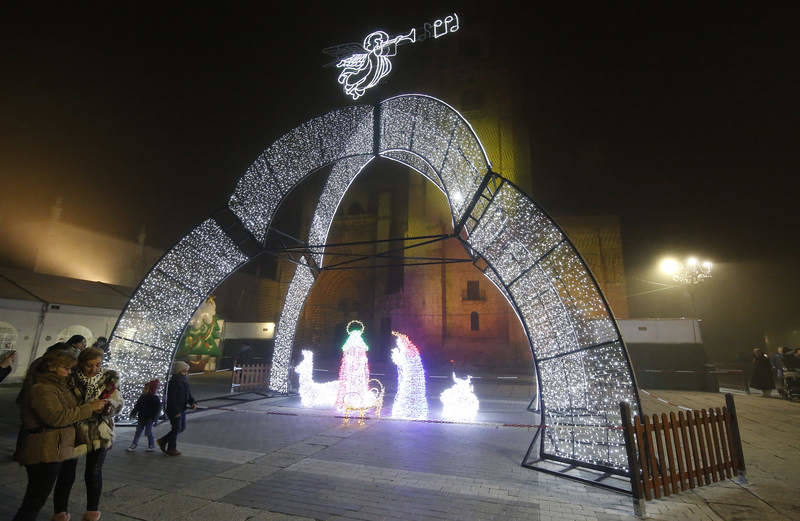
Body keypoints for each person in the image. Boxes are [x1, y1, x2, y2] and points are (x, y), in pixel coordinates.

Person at [12, 350, 107, 521]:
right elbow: (56, 417)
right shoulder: (43, 389)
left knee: (36, 497)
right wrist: (89, 408)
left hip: (53, 447)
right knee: (35, 499)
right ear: (52, 367)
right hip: (44, 448)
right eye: (66, 368)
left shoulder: (58, 385)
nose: (69, 372)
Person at [70, 347, 123, 521]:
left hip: (100, 429)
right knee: (66, 472)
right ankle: (60, 510)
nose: (94, 369)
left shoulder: (108, 379)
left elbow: (118, 402)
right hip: (74, 429)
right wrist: (87, 407)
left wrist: (110, 406)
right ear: (81, 364)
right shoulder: (71, 379)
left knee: (94, 471)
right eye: (89, 365)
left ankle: (92, 510)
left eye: (98, 365)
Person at [158, 361, 196, 456]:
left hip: (181, 408)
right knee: (176, 428)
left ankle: (163, 440)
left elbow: (188, 394)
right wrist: (176, 411)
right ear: (179, 371)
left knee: (181, 427)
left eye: (187, 371)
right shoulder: (174, 381)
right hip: (175, 409)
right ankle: (171, 448)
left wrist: (192, 402)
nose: (186, 372)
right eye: (184, 370)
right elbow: (172, 398)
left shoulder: (184, 380)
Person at [127, 379, 161, 452]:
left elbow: (157, 409)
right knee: (138, 431)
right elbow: (137, 406)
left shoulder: (155, 398)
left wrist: (155, 419)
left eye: (146, 388)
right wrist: (133, 412)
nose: (144, 390)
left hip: (149, 418)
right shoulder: (142, 397)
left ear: (151, 390)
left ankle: (151, 445)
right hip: (141, 417)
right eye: (144, 388)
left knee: (148, 432)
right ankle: (134, 444)